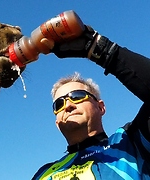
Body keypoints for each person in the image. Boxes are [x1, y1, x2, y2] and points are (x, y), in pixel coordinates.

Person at [31, 24, 150, 179]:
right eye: (59, 104)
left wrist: (100, 48)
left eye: (77, 96)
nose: (68, 105)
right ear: (57, 123)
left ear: (101, 107)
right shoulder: (44, 174)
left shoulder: (132, 143)